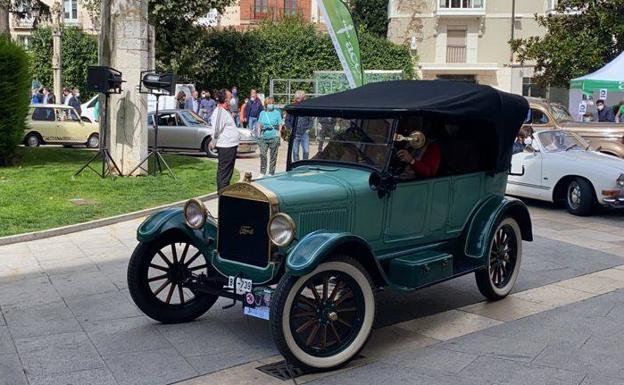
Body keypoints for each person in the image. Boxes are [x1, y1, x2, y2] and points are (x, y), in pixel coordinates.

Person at [210, 89, 239, 191]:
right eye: (230, 98)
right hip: (225, 146)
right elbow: (216, 129)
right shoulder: (219, 112)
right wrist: (213, 142)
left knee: (228, 172)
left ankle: (226, 192)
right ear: (226, 100)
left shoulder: (226, 111)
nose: (232, 100)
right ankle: (222, 194)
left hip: (231, 145)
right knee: (224, 172)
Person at [256, 97, 283, 176]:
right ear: (266, 104)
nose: (271, 105)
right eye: (269, 103)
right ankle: (262, 172)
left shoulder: (277, 113)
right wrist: (258, 135)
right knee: (263, 155)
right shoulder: (262, 113)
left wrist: (279, 135)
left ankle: (271, 172)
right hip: (264, 137)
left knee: (273, 156)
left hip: (274, 137)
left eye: (272, 103)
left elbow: (280, 124)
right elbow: (259, 124)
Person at [285, 90, 312, 161]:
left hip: (304, 133)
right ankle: (297, 167)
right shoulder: (291, 107)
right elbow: (287, 121)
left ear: (303, 98)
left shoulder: (307, 107)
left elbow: (310, 120)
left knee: (306, 151)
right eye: (297, 98)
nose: (298, 100)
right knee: (295, 152)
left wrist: (308, 129)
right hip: (295, 133)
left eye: (299, 98)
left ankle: (304, 165)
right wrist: (290, 128)